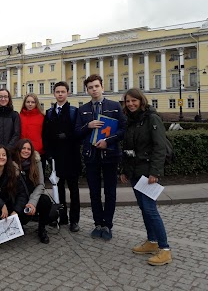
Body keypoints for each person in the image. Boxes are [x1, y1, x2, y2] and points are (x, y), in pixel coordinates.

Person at [120, 88, 172, 266]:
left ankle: (165, 250)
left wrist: (155, 172)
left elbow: (159, 147)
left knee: (150, 210)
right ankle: (152, 241)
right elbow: (127, 148)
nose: (131, 104)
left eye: (134, 101)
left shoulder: (152, 118)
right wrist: (124, 171)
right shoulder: (130, 120)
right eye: (128, 101)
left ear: (141, 101)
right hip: (135, 173)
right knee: (144, 208)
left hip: (148, 173)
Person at [75, 74, 126, 240]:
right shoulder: (83, 110)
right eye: (90, 87)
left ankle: (108, 225)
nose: (94, 89)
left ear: (102, 87)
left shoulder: (114, 106)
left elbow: (123, 130)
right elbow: (77, 133)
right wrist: (87, 126)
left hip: (110, 155)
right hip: (91, 156)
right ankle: (98, 223)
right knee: (94, 192)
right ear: (87, 90)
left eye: (96, 86)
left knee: (110, 192)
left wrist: (107, 141)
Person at [42, 81, 82, 232]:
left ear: (67, 93)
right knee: (59, 190)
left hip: (71, 157)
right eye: (57, 92)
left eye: (62, 91)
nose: (60, 94)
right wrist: (49, 152)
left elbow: (79, 133)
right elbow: (46, 135)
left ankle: (74, 220)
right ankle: (62, 217)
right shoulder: (50, 113)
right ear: (54, 94)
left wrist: (68, 136)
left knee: (74, 190)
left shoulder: (74, 111)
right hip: (56, 158)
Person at [12, 139, 52, 243]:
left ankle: (41, 229)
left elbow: (41, 184)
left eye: (29, 149)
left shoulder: (36, 161)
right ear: (19, 150)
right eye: (23, 148)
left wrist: (32, 203)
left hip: (32, 197)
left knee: (45, 201)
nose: (26, 151)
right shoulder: (12, 163)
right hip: (18, 198)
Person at [19, 93, 45, 164]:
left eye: (33, 102)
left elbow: (45, 134)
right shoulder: (19, 117)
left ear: (36, 103)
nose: (30, 104)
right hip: (22, 152)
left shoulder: (42, 117)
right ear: (24, 103)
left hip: (38, 152)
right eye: (28, 102)